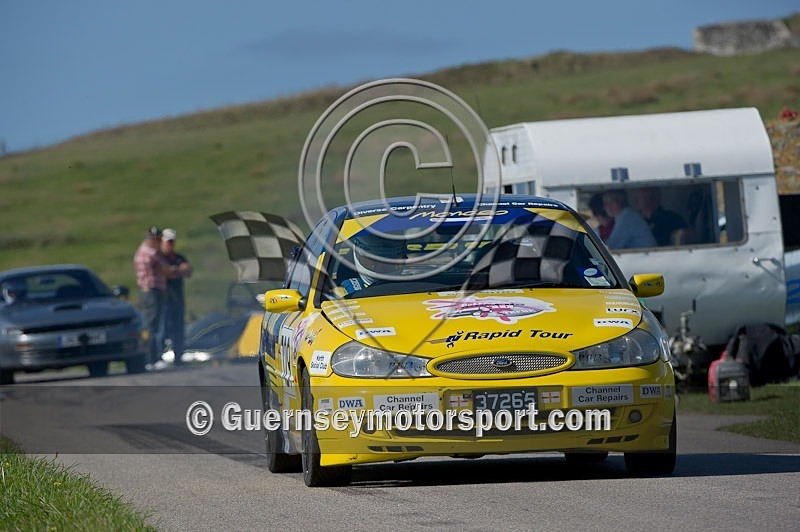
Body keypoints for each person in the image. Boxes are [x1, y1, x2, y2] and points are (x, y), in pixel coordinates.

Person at [133, 226, 168, 369]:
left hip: (155, 288)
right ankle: (152, 358)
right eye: (156, 238)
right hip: (151, 290)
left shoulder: (150, 251)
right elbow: (162, 268)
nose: (158, 241)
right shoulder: (150, 253)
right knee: (153, 326)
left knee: (155, 324)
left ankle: (153, 357)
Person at [160, 228, 192, 366]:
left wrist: (175, 271)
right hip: (164, 299)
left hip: (177, 299)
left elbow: (188, 270)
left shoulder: (179, 257)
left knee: (179, 328)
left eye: (172, 242)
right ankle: (159, 357)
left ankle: (179, 357)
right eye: (168, 242)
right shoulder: (160, 258)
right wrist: (176, 270)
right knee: (163, 328)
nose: (170, 245)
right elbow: (165, 272)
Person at [339, 232, 407, 294]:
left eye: (390, 256)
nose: (381, 265)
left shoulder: (415, 287)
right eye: (372, 258)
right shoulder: (343, 294)